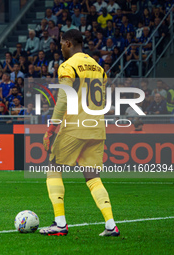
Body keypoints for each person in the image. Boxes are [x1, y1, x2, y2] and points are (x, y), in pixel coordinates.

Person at [40, 29, 119, 237]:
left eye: (60, 44)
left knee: (53, 169)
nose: (59, 48)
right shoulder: (99, 67)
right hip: (96, 126)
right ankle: (111, 225)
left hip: (75, 126)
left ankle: (59, 223)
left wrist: (51, 128)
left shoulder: (68, 66)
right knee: (93, 177)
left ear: (68, 43)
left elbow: (64, 99)